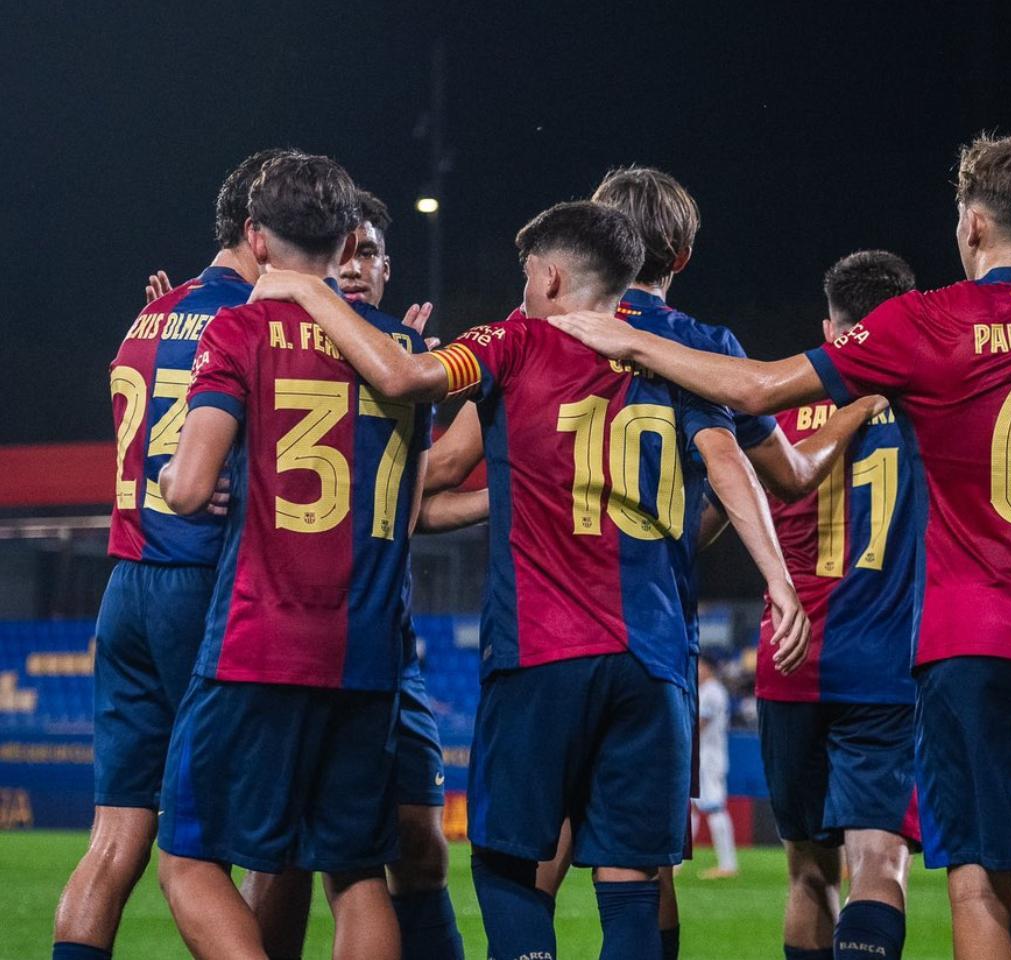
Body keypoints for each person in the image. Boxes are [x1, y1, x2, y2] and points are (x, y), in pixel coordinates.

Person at [550, 132, 1011, 960]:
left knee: (977, 883)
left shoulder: (925, 322)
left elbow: (755, 388)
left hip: (960, 647)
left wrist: (633, 341)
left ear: (972, 225)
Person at [245, 199, 811, 960]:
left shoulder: (512, 341)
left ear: (547, 276)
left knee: (510, 866)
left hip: (539, 654)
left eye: (524, 275)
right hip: (653, 661)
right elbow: (733, 465)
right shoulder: (679, 353)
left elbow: (410, 377)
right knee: (633, 880)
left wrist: (310, 290)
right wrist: (777, 579)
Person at [155, 151, 432, 960]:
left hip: (259, 641)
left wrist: (176, 474)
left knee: (188, 861)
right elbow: (411, 510)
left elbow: (189, 484)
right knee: (355, 874)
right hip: (370, 649)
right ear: (351, 242)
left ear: (255, 237)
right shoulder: (404, 348)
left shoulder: (238, 327)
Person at [52, 148, 283, 960]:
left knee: (114, 839)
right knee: (212, 844)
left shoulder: (146, 317)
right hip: (201, 580)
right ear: (258, 236)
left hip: (126, 584)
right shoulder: (251, 321)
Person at [234, 188, 465, 960]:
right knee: (292, 857)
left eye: (371, 253)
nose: (357, 266)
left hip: (382, 641)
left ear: (387, 269)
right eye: (348, 250)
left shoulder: (402, 356)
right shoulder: (273, 344)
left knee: (418, 844)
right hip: (289, 632)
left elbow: (417, 508)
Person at [756, 249, 930, 960]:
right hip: (888, 668)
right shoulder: (931, 411)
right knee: (879, 866)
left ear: (831, 327)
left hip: (790, 665)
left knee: (806, 874)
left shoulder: (779, 407)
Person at [694, 657, 739, 878]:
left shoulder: (712, 692)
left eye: (699, 666)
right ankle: (678, 860)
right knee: (692, 807)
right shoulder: (707, 690)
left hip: (709, 758)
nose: (695, 669)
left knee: (715, 807)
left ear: (708, 668)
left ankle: (728, 864)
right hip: (702, 756)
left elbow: (700, 725)